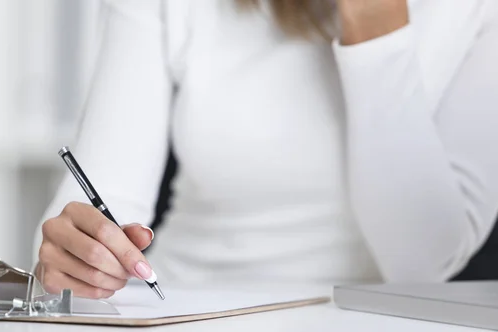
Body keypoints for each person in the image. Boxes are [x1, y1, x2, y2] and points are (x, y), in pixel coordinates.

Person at [32, 0, 498, 299]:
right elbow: (96, 209)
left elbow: (422, 265)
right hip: (183, 326)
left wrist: (375, 32)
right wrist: (80, 257)